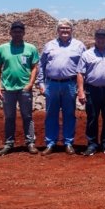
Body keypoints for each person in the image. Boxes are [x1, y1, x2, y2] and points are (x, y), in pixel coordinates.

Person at [37, 19, 86, 155]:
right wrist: (41, 83)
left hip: (70, 84)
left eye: (67, 28)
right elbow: (41, 64)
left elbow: (83, 67)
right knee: (51, 114)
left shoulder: (79, 45)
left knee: (69, 114)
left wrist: (81, 87)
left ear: (71, 30)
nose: (65, 30)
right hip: (51, 84)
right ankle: (50, 143)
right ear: (57, 30)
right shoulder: (49, 45)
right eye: (62, 28)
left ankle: (68, 142)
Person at [0, 20, 40, 156]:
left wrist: (30, 84)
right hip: (8, 89)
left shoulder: (31, 48)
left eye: (20, 31)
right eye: (15, 31)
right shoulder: (2, 48)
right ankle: (9, 143)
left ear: (24, 33)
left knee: (27, 116)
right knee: (9, 117)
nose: (17, 34)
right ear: (10, 32)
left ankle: (30, 142)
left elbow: (35, 67)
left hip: (25, 89)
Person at [77, 28, 105, 156]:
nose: (101, 40)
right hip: (92, 89)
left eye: (103, 38)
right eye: (98, 37)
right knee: (92, 117)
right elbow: (80, 73)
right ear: (95, 38)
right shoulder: (87, 54)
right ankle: (92, 144)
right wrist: (81, 91)